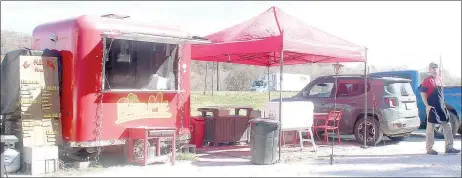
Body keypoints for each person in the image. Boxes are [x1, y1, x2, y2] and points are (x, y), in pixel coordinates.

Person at [420, 62, 460, 155]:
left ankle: (449, 147)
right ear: (429, 70)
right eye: (433, 68)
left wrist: (443, 105)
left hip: (442, 107)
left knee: (448, 126)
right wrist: (427, 105)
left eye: (436, 68)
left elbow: (440, 94)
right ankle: (429, 149)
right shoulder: (427, 80)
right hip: (432, 108)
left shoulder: (440, 79)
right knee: (430, 129)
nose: (434, 70)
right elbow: (423, 93)